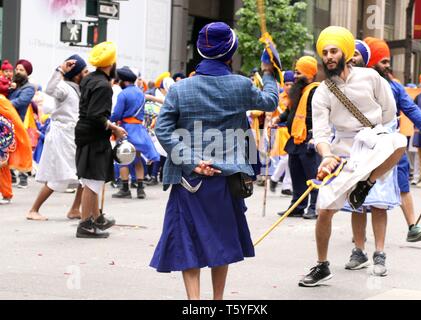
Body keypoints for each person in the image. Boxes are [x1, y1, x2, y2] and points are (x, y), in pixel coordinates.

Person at [150, 22, 279, 300]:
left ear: (200, 51)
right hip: (227, 178)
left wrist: (190, 160)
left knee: (188, 243)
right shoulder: (241, 85)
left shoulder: (179, 89)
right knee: (221, 242)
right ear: (230, 53)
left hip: (189, 179)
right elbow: (270, 101)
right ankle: (217, 301)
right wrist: (269, 72)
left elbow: (162, 130)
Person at [298, 26, 408, 287]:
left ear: (346, 52)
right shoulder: (322, 91)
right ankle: (322, 266)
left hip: (374, 143)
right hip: (342, 151)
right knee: (324, 209)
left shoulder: (371, 77)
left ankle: (366, 184)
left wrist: (373, 138)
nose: (329, 56)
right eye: (324, 52)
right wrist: (326, 156)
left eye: (334, 51)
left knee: (398, 141)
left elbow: (389, 114)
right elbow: (322, 134)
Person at [363, 38, 421, 242]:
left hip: (393, 145)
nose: (388, 65)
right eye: (383, 61)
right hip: (367, 145)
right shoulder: (359, 85)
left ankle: (413, 227)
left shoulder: (395, 87)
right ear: (371, 62)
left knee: (402, 181)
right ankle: (359, 234)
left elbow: (410, 108)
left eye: (388, 61)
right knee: (363, 186)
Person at [27, 55, 88, 221]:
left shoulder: (79, 88)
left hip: (75, 136)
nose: (87, 73)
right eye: (84, 71)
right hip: (62, 136)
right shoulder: (63, 87)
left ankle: (75, 209)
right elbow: (50, 89)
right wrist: (60, 70)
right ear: (76, 74)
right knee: (58, 176)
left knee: (85, 174)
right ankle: (34, 209)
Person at [75, 42, 126, 239]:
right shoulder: (104, 86)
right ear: (110, 64)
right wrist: (116, 128)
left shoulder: (89, 79)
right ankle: (86, 224)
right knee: (92, 180)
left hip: (85, 133)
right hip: (94, 136)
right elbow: (97, 116)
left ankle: (96, 218)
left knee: (91, 178)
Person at [271, 56, 321, 219]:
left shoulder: (315, 91)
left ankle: (313, 207)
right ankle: (297, 206)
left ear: (309, 74)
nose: (295, 76)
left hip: (308, 140)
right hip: (295, 140)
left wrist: (315, 136)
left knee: (312, 176)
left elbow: (320, 116)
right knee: (296, 175)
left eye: (299, 73)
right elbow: (289, 112)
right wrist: (279, 118)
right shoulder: (297, 91)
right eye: (295, 72)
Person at [110, 66, 160, 199]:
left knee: (123, 160)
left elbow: (117, 114)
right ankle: (140, 190)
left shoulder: (123, 94)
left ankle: (125, 189)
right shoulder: (140, 93)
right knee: (137, 159)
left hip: (126, 130)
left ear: (124, 81)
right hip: (139, 129)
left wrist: (108, 120)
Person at [0, 96, 32, 204]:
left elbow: (9, 124)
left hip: (2, 139)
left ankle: (6, 195)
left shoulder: (2, 102)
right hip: (4, 137)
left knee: (2, 168)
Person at [9, 59, 36, 189]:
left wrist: (4, 104)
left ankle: (23, 178)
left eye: (21, 70)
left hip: (21, 123)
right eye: (17, 69)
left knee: (22, 150)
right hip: (8, 122)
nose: (18, 72)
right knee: (8, 149)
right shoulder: (12, 85)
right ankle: (11, 177)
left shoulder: (29, 88)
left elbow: (21, 101)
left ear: (27, 73)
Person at [269, 70, 294, 196]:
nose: (289, 87)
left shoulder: (296, 97)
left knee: (290, 159)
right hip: (282, 130)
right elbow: (272, 115)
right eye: (287, 84)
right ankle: (274, 178)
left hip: (294, 131)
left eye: (291, 84)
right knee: (286, 157)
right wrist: (272, 121)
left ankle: (286, 185)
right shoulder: (279, 98)